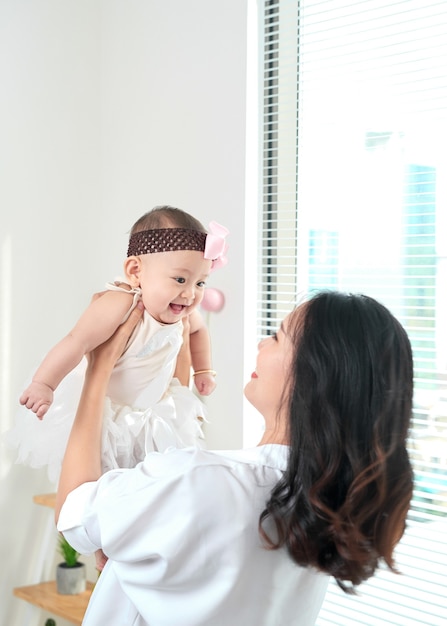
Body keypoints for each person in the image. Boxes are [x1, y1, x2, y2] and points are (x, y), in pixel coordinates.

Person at [55, 290, 414, 625]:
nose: (261, 343)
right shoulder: (329, 507)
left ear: (312, 374)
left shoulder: (195, 480)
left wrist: (98, 371)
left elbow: (73, 513)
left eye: (276, 336)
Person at [6, 206, 229, 485]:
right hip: (104, 413)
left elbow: (199, 331)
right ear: (135, 271)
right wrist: (44, 384)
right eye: (180, 279)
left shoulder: (184, 312)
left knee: (147, 482)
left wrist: (204, 370)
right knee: (98, 481)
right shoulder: (122, 303)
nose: (191, 293)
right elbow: (77, 340)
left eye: (201, 282)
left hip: (151, 412)